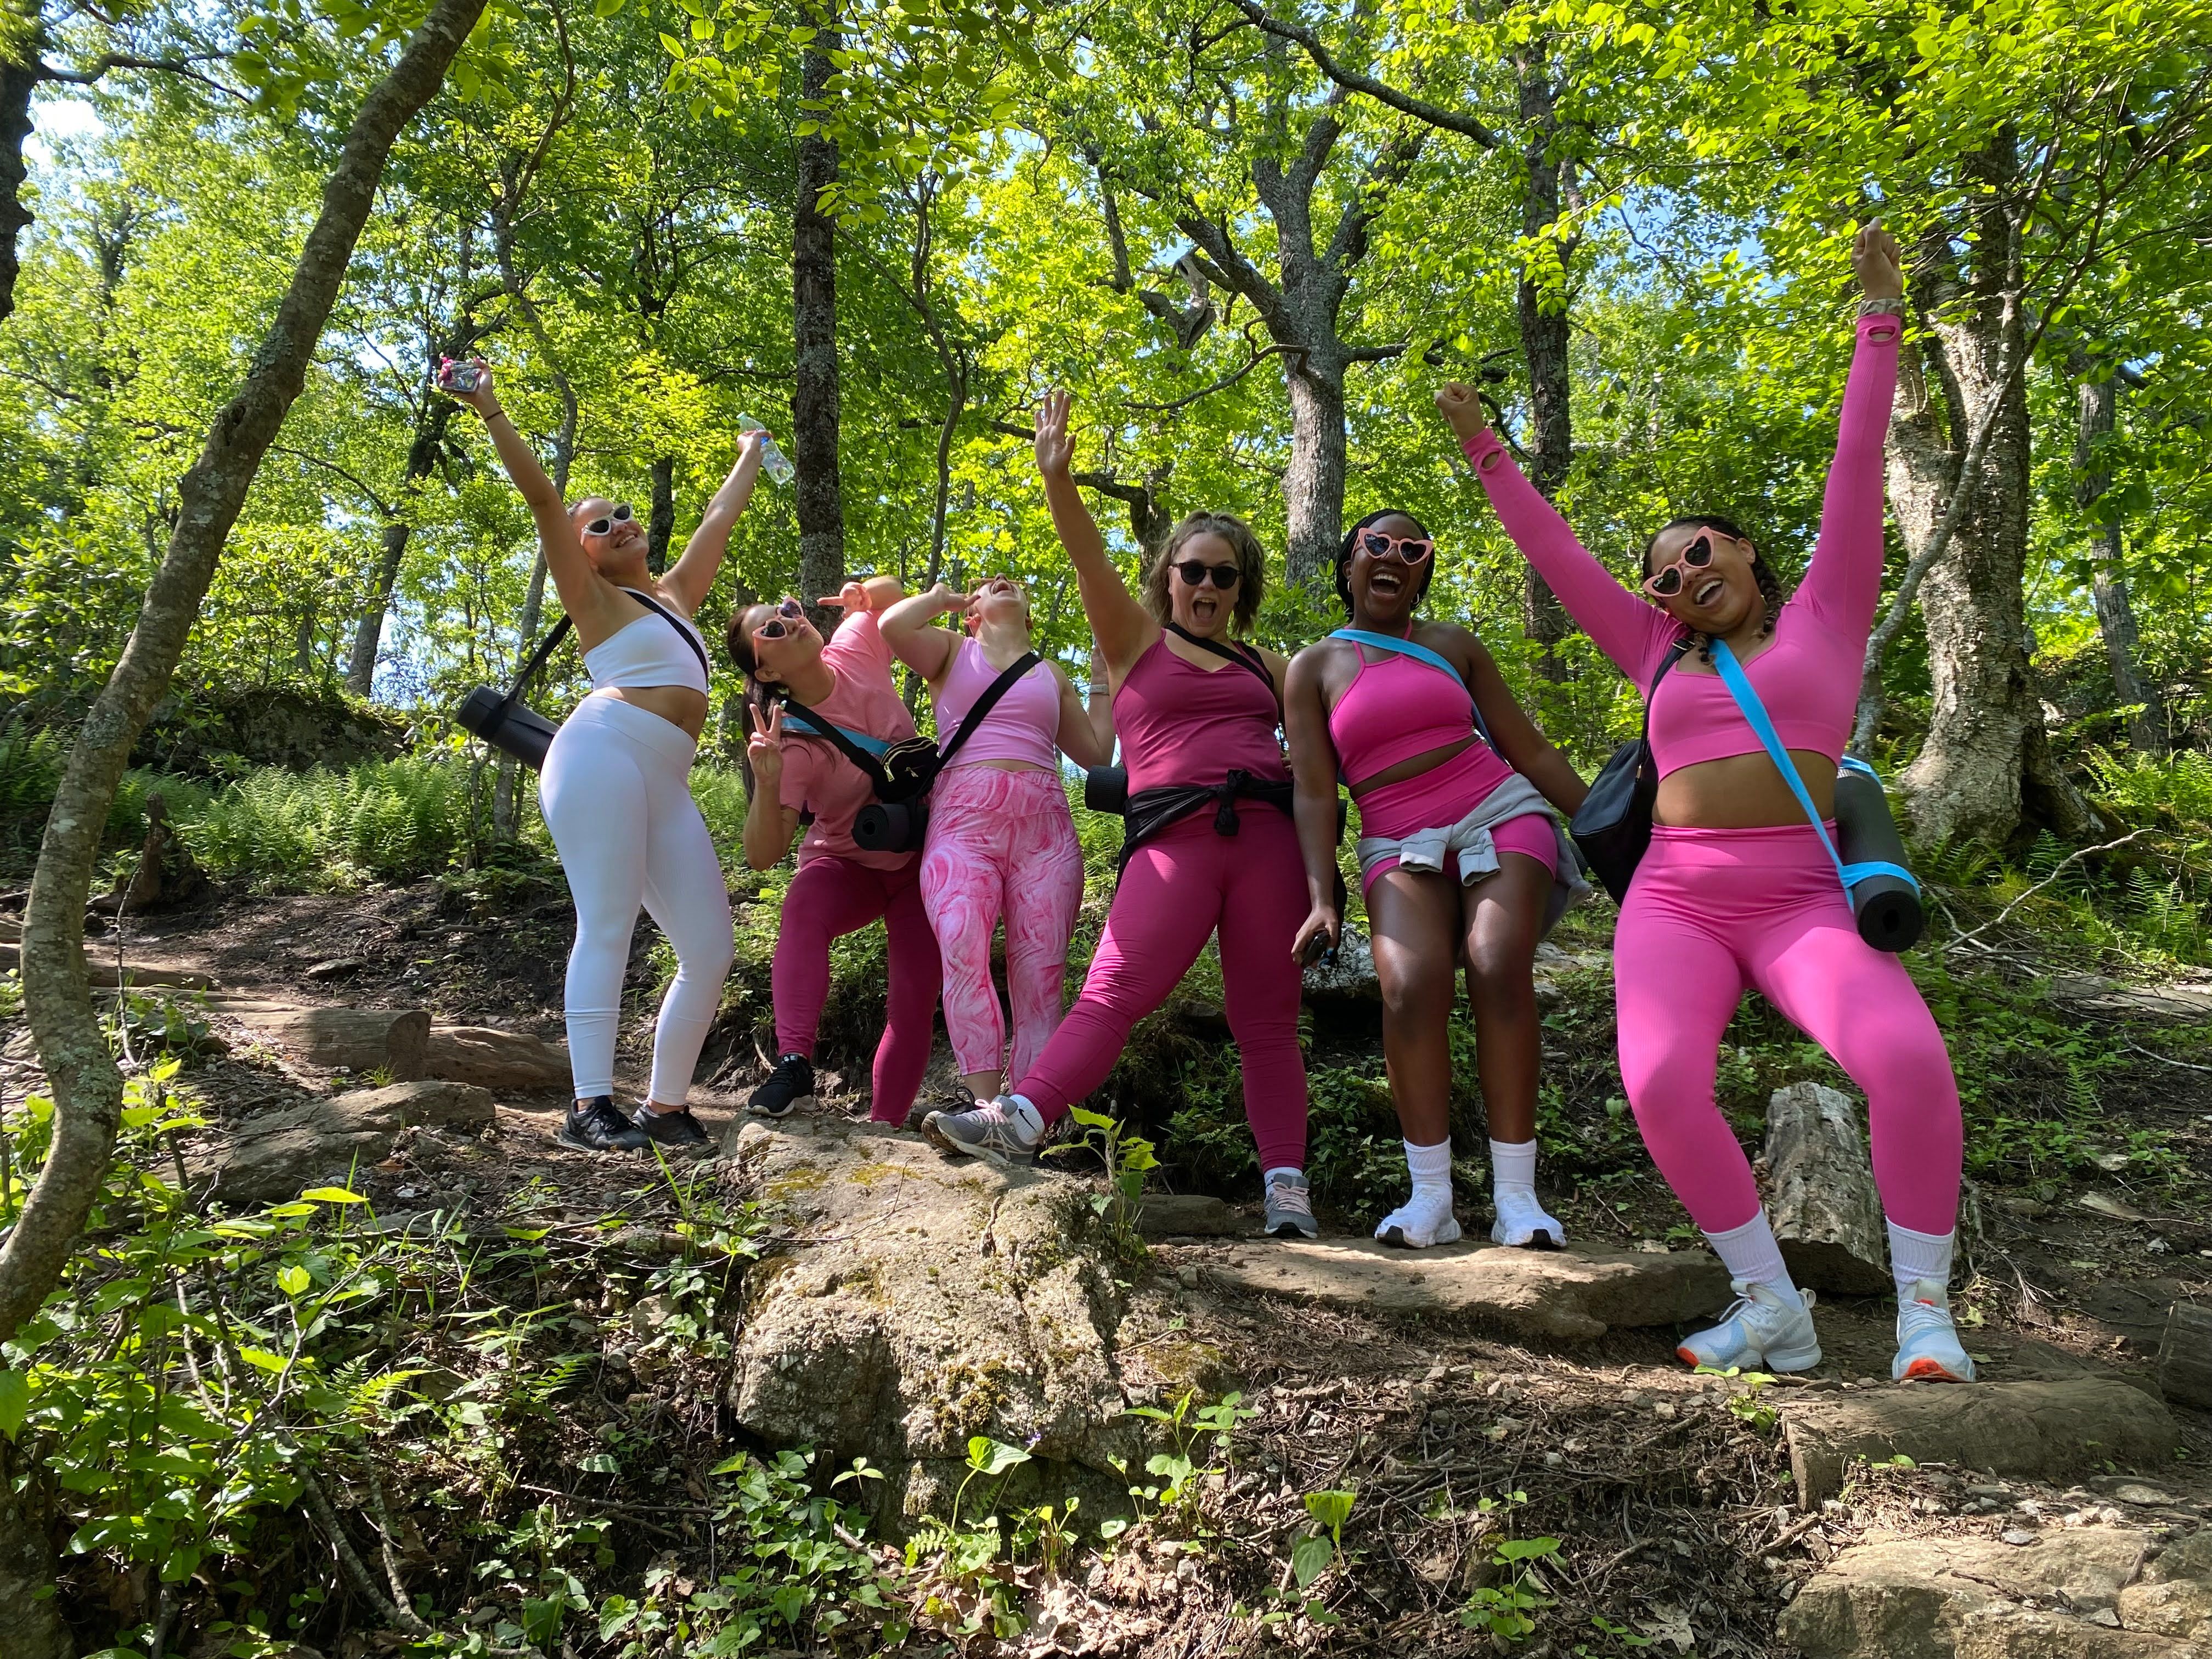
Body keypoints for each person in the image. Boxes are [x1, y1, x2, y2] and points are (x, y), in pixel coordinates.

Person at [1436, 223, 1973, 1383]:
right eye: (1666, 573)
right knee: (1662, 1080)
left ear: (1748, 554)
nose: (1682, 577)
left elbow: (1853, 458)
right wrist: (1484, 449)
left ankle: (1926, 1312)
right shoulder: (1655, 653)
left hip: (1800, 897)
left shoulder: (1827, 612)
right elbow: (1553, 549)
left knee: (1908, 1061)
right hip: (1677, 898)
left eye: (1702, 553)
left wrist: (1879, 321)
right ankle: (1771, 1311)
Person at [923, 392, 1318, 1240]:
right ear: (1168, 577)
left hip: (1268, 848)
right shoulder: (1132, 640)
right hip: (1172, 845)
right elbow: (1088, 557)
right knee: (1113, 992)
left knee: (1267, 1019)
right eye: (1193, 570)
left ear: (1241, 587)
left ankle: (1287, 1187)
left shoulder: (1272, 663)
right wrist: (1058, 480)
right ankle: (1019, 1123)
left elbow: (1332, 747)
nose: (1207, 584)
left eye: (1224, 574)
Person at [442, 360, 751, 1153]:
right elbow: (544, 500)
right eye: (598, 527)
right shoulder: (594, 598)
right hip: (602, 752)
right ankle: (588, 1106)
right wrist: (490, 408)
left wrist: (752, 449)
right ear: (584, 554)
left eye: (621, 515)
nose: (616, 526)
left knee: (710, 949)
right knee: (607, 922)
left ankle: (667, 1105)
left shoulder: (676, 594)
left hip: (666, 778)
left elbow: (718, 516)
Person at [1285, 513, 1590, 1250]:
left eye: (1412, 550)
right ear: (1348, 564)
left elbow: (1531, 749)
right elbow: (1318, 794)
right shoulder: (1314, 667)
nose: (1393, 557)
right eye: (1376, 546)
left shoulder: (1454, 646)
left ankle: (1519, 1199)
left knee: (1495, 963)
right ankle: (1433, 1200)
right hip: (1395, 837)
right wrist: (1322, 896)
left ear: (1424, 571)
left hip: (1498, 812)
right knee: (1408, 987)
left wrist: (1610, 829)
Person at [878, 578, 1115, 1105]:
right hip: (962, 827)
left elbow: (1098, 755)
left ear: (1029, 615)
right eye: (985, 586)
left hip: (1046, 834)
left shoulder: (1051, 674)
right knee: (963, 951)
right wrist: (942, 599)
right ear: (972, 613)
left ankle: (1025, 1122)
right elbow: (892, 625)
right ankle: (983, 1107)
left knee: (1041, 981)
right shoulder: (949, 651)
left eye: (1013, 585)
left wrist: (1102, 680)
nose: (1000, 582)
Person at [729, 577, 943, 1130]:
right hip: (849, 867)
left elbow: (893, 596)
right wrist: (769, 782)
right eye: (773, 628)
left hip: (923, 862)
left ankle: (885, 1127)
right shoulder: (795, 744)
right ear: (768, 673)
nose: (791, 619)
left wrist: (863, 593)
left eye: (788, 607)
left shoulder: (854, 645)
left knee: (914, 1001)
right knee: (804, 905)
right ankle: (794, 1062)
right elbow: (763, 854)